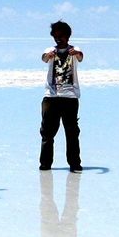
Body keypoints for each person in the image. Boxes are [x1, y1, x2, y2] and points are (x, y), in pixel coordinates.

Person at [40, 20, 83, 172]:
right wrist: (48, 55)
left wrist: (76, 53)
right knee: (47, 133)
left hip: (70, 97)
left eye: (61, 36)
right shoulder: (50, 50)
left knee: (71, 133)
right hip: (51, 97)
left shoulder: (74, 49)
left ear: (67, 36)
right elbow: (44, 58)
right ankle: (45, 165)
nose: (58, 39)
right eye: (56, 36)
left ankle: (75, 164)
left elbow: (80, 56)